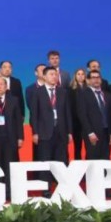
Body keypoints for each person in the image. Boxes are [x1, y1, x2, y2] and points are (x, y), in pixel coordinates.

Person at [30, 67, 72, 196]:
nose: (54, 76)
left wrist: (69, 132)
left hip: (61, 131)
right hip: (44, 132)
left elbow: (67, 113)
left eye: (55, 74)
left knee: (62, 161)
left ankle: (63, 189)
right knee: (45, 161)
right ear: (44, 76)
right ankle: (46, 189)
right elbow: (34, 114)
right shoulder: (37, 92)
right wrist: (35, 132)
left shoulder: (63, 92)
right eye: (51, 74)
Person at [77, 70, 111, 161]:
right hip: (92, 133)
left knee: (106, 158)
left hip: (107, 132)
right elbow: (82, 115)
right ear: (88, 80)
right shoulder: (83, 94)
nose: (96, 80)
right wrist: (90, 132)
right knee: (93, 158)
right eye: (93, 77)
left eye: (98, 77)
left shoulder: (107, 95)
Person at [68, 69, 87, 160]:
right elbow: (70, 107)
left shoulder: (89, 89)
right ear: (75, 76)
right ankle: (78, 165)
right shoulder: (70, 90)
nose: (80, 76)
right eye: (78, 74)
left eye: (82, 74)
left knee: (90, 147)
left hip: (89, 122)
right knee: (78, 147)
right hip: (76, 122)